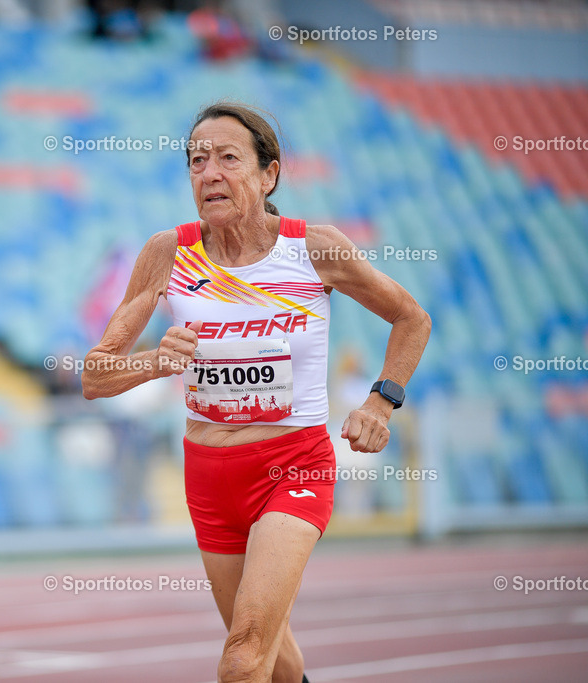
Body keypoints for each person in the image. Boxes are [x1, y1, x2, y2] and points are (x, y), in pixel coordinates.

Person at [82, 102, 430, 683]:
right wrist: (154, 361)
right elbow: (95, 376)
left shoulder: (315, 249)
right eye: (197, 160)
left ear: (269, 175)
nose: (209, 173)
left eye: (227, 158)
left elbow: (411, 318)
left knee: (243, 657)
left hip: (294, 465)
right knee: (274, 654)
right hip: (210, 474)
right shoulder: (168, 253)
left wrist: (380, 402)